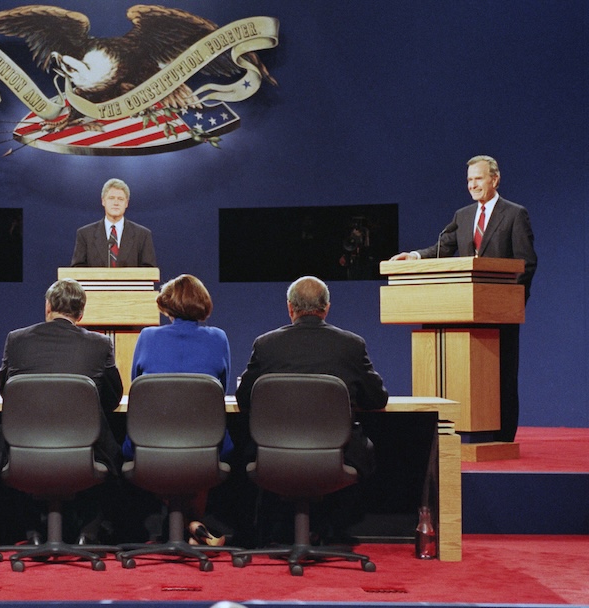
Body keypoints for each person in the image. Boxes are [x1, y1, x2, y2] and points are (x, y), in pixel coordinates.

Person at [390, 155, 536, 442]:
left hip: (499, 314)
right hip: (465, 312)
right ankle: (467, 433)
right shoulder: (463, 216)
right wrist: (416, 256)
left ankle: (504, 437)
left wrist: (506, 303)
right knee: (472, 379)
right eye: (469, 180)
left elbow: (526, 263)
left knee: (501, 377)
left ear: (495, 179)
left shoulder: (515, 214)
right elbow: (443, 247)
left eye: (478, 179)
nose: (473, 185)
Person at [233, 276, 388, 544]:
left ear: (290, 308)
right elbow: (377, 399)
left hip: (273, 457)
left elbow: (244, 399)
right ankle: (327, 529)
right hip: (336, 457)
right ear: (326, 308)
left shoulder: (266, 345)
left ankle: (271, 530)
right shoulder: (351, 345)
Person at [0, 278, 124, 542]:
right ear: (81, 313)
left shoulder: (16, 340)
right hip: (84, 449)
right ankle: (88, 532)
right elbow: (112, 398)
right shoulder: (100, 344)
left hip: (24, 448)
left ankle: (32, 532)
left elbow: (7, 391)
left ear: (47, 307)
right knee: (115, 450)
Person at [126, 273, 232, 546]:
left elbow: (136, 386)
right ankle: (192, 524)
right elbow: (220, 388)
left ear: (167, 305)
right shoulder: (218, 338)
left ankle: (186, 526)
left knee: (166, 449)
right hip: (204, 442)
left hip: (151, 442)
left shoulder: (148, 337)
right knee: (202, 447)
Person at [70, 178, 157, 268]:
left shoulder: (142, 235)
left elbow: (149, 270)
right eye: (111, 198)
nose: (116, 203)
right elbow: (77, 270)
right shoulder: (85, 235)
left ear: (126, 203)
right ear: (103, 201)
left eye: (120, 199)